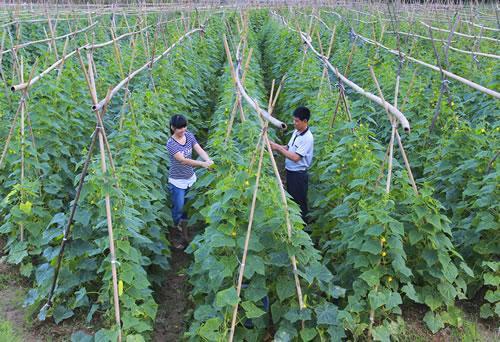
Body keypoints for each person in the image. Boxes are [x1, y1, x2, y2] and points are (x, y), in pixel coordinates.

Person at [166, 114, 213, 249]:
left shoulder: (189, 136)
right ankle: (175, 234)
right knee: (178, 208)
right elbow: (183, 160)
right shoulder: (171, 143)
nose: (183, 130)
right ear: (172, 128)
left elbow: (198, 149)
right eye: (179, 128)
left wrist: (208, 160)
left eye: (184, 127)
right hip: (177, 181)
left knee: (187, 208)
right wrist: (202, 164)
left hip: (190, 179)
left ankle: (185, 235)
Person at [270, 106, 314, 223]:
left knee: (299, 204)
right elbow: (288, 148)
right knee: (293, 201)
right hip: (291, 172)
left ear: (305, 121)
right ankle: (295, 224)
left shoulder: (307, 138)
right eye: (294, 120)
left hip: (298, 175)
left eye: (297, 121)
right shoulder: (297, 132)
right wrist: (274, 145)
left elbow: (295, 157)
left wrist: (278, 148)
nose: (294, 123)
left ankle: (304, 230)